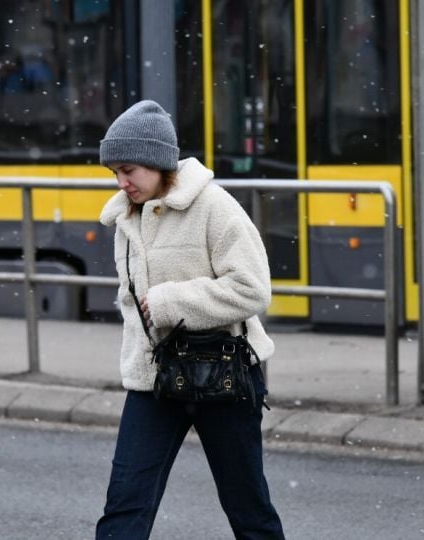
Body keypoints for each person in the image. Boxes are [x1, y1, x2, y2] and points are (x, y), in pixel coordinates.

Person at [95, 100, 285, 539]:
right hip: (155, 380)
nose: (122, 182)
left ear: (160, 162)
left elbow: (253, 288)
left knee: (248, 508)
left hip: (225, 374)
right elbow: (132, 305)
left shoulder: (215, 208)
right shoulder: (126, 217)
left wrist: (170, 302)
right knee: (124, 505)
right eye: (114, 173)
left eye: (129, 170)